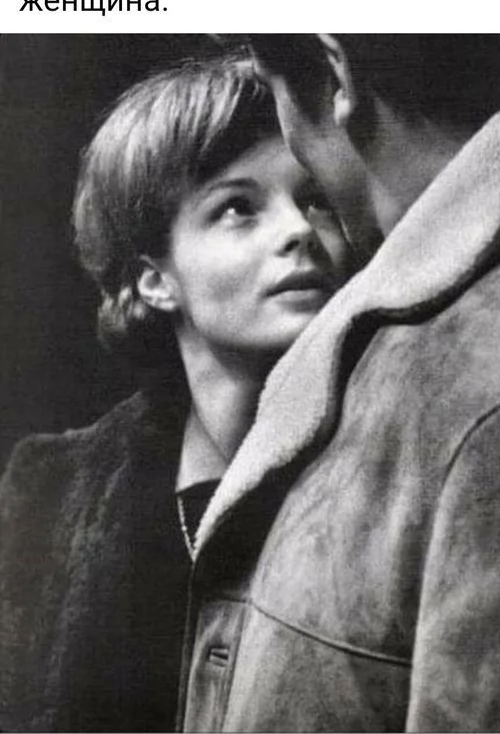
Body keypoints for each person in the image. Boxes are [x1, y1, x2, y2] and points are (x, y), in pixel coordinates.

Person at [168, 35, 500, 732]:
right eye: (235, 207)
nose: (297, 228)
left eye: (274, 86)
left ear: (334, 74)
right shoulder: (405, 341)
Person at [0, 51, 352, 732]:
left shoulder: (402, 460)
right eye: (238, 207)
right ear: (154, 280)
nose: (298, 230)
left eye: (315, 199)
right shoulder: (48, 494)